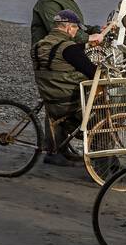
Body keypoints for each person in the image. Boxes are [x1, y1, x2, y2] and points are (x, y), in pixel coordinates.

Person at [30, 10, 99, 166]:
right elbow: (92, 72)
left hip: (51, 98)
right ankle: (104, 164)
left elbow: (59, 55)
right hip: (68, 103)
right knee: (102, 120)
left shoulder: (40, 45)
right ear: (69, 28)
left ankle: (57, 151)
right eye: (76, 28)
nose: (76, 32)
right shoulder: (69, 48)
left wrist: (85, 45)